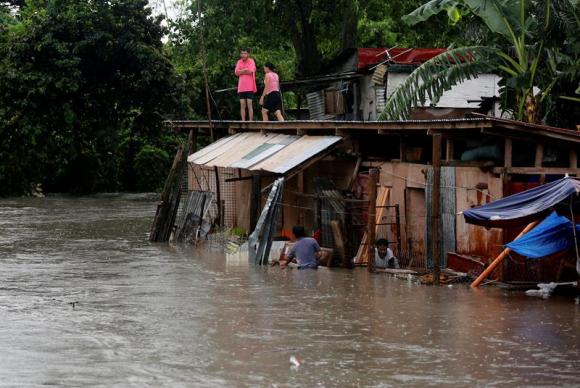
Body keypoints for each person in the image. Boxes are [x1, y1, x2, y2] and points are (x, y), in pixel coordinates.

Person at [234, 49, 257, 121]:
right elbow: (236, 72)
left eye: (245, 53)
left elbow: (250, 71)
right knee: (242, 105)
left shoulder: (251, 61)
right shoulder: (239, 61)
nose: (243, 55)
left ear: (248, 54)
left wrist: (241, 71)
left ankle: (251, 121)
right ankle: (243, 121)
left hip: (249, 87)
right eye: (242, 53)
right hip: (241, 87)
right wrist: (244, 70)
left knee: (249, 104)